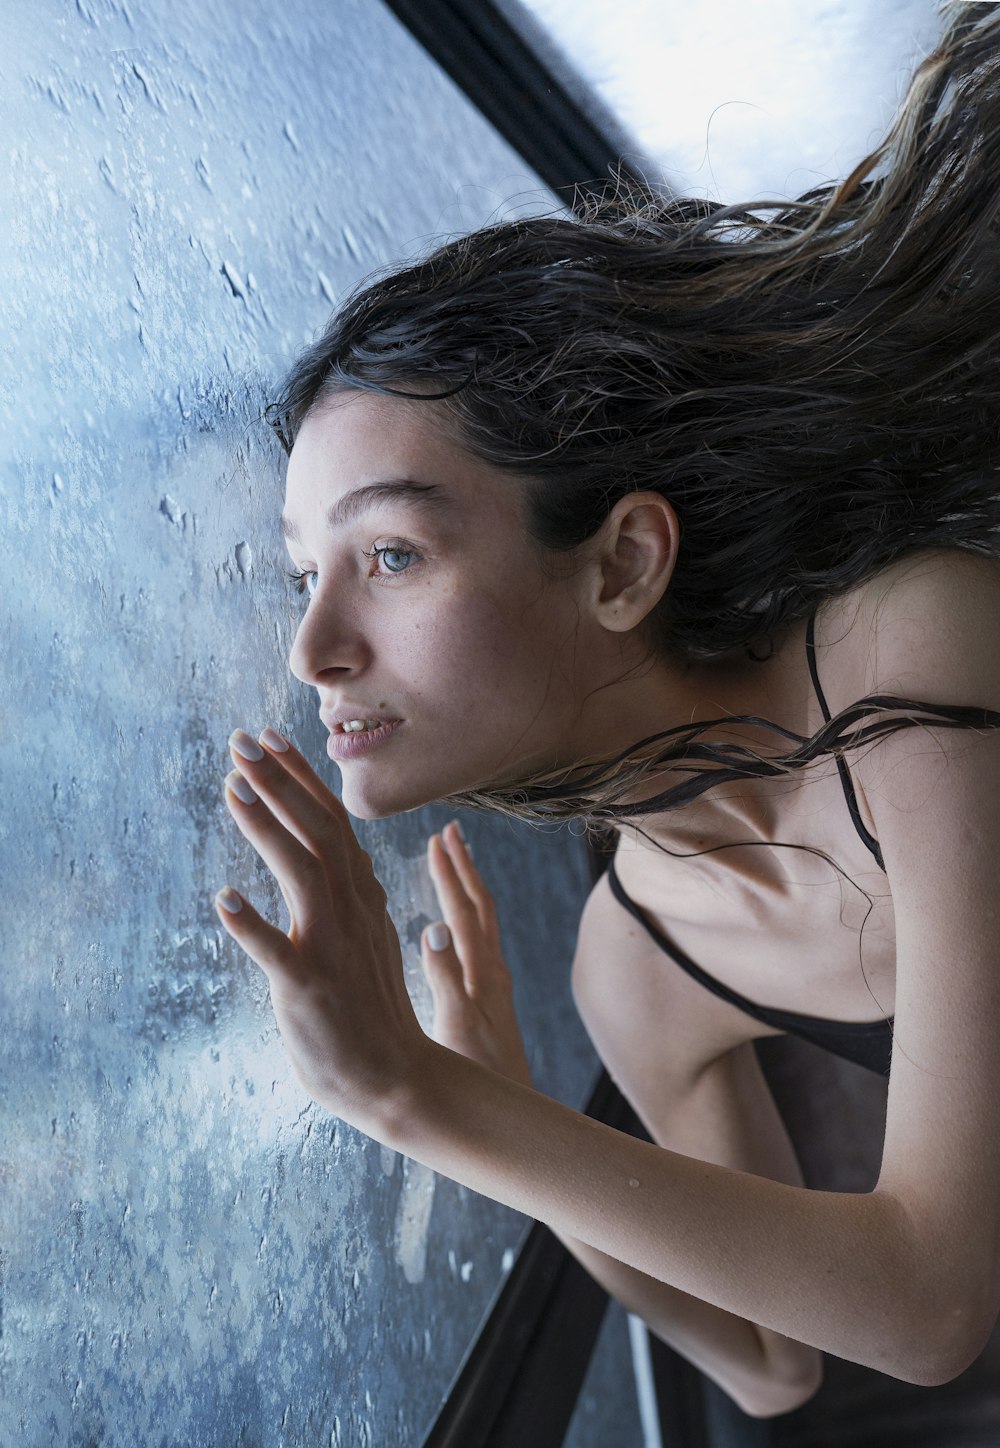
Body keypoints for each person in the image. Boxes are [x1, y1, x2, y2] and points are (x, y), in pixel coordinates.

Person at [214, 2, 1000, 1418]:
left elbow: (930, 1302)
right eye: (302, 573)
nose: (313, 645)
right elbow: (768, 1366)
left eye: (389, 554)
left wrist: (416, 1095)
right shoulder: (631, 974)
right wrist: (492, 1107)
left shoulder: (913, 653)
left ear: (624, 562)